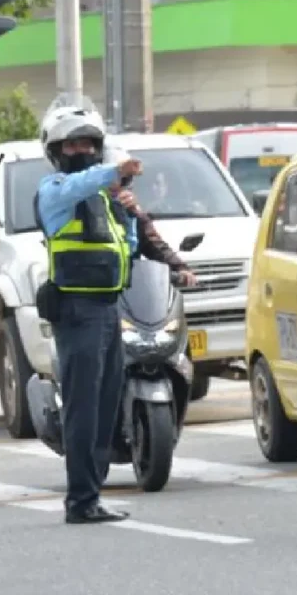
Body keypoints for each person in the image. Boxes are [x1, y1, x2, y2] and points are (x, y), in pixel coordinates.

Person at [33, 100, 198, 524]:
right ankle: (80, 501)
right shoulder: (54, 193)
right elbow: (76, 187)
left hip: (109, 309)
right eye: (71, 146)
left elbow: (137, 238)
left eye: (89, 143)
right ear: (55, 152)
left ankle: (93, 494)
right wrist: (110, 173)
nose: (81, 151)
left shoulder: (109, 201)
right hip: (76, 310)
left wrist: (175, 264)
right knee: (83, 408)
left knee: (105, 407)